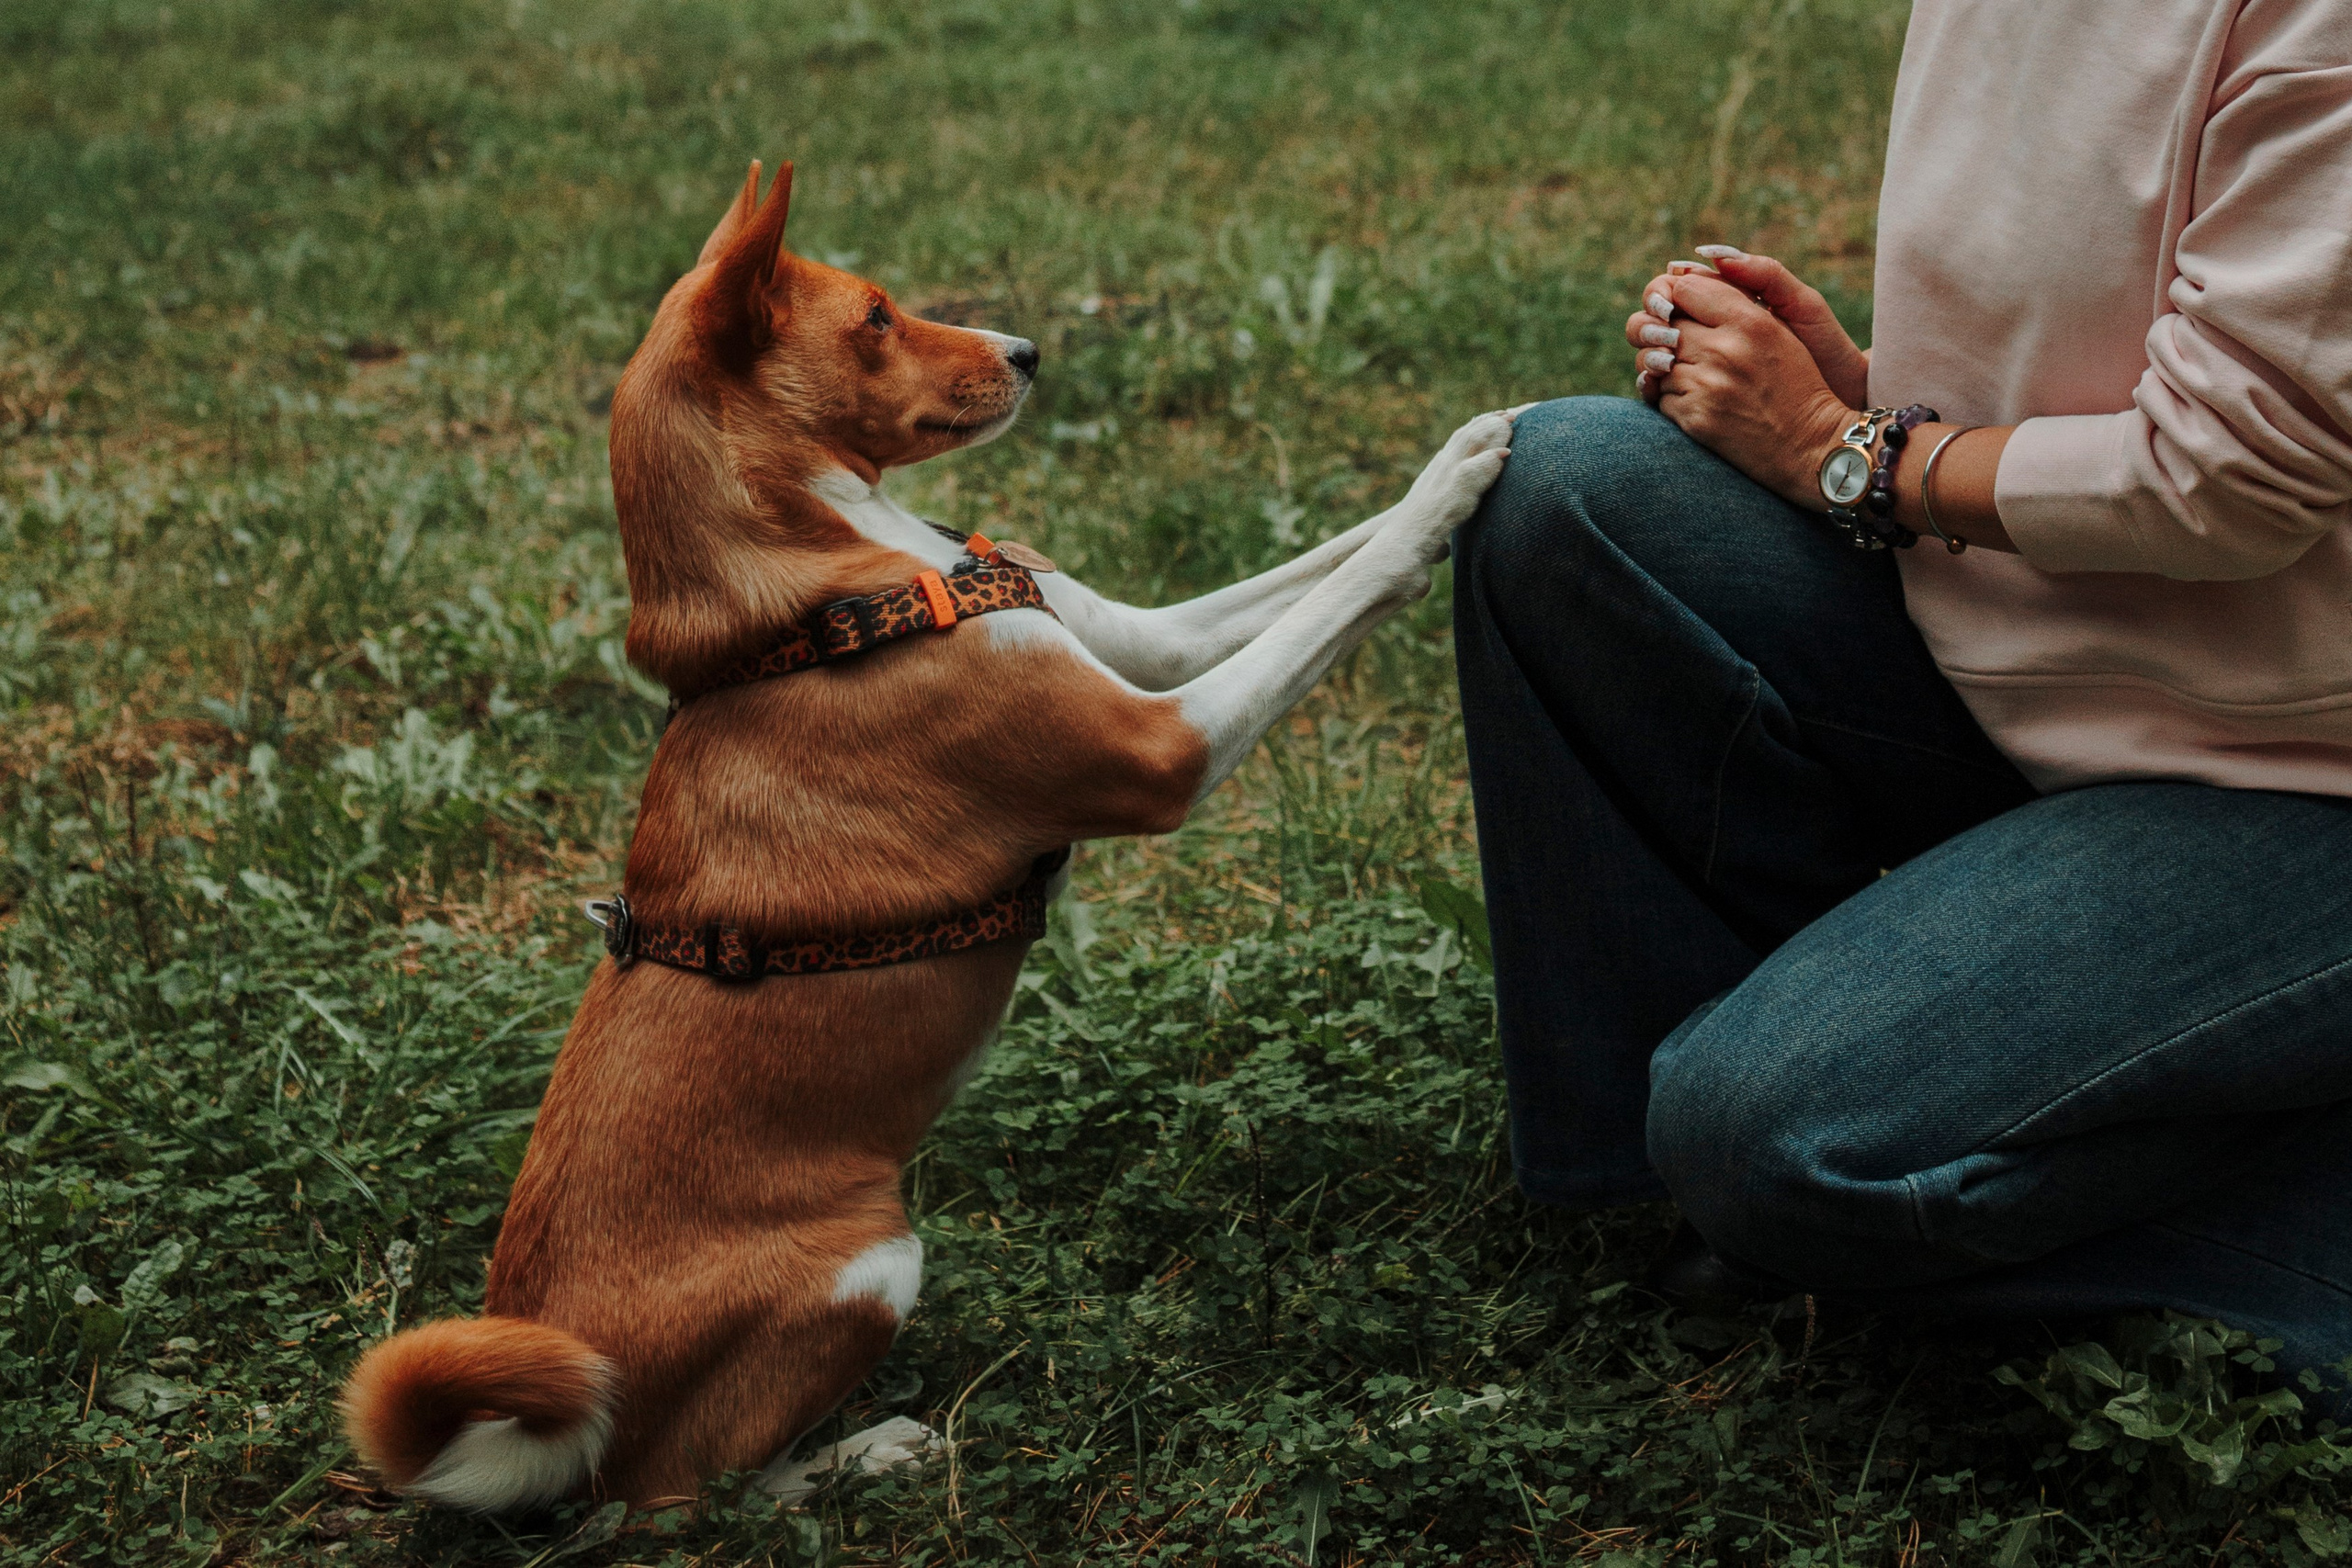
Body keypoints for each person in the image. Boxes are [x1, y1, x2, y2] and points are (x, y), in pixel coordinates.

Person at [1453, 0, 2352, 1406]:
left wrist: (1850, 451)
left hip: (2305, 779)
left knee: (1781, 1140)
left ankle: (2264, 1198)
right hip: (2069, 666)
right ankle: (1710, 1185)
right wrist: (1881, 393)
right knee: (1571, 495)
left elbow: (2241, 471)